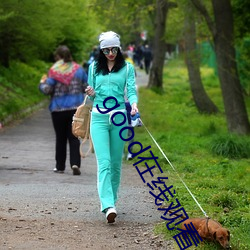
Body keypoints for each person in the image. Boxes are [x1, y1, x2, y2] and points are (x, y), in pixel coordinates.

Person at [85, 31, 138, 223]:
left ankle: (112, 201)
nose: (110, 53)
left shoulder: (127, 68)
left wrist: (133, 104)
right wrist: (90, 92)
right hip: (98, 118)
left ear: (119, 48)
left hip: (119, 118)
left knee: (116, 164)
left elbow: (131, 90)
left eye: (114, 49)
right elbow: (91, 97)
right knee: (104, 163)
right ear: (101, 50)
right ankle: (107, 205)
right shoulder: (93, 68)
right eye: (106, 50)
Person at [39, 45, 88, 175]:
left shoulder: (54, 71)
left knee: (60, 138)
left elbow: (47, 90)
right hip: (75, 109)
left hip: (58, 109)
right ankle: (75, 163)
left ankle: (60, 166)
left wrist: (42, 83)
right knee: (74, 137)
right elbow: (86, 87)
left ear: (58, 57)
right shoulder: (79, 70)